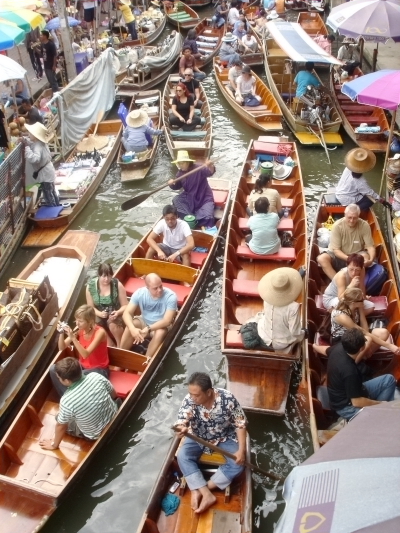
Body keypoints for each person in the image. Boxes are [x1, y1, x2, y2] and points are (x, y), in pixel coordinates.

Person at [175, 372, 247, 514]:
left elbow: (240, 424)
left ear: (209, 392)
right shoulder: (190, 400)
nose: (192, 398)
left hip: (223, 437)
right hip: (198, 436)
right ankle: (205, 493)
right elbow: (182, 419)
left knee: (238, 464)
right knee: (182, 455)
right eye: (191, 394)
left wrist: (241, 451)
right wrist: (181, 427)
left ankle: (201, 489)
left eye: (197, 395)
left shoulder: (227, 399)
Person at [39, 357, 119, 450]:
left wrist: (54, 445)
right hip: (114, 415)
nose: (59, 380)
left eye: (59, 378)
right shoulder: (96, 376)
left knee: (58, 418)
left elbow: (61, 426)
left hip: (95, 434)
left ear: (67, 381)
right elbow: (113, 395)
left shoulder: (66, 401)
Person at [326, 328, 397, 421]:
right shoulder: (350, 371)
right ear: (362, 348)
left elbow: (326, 351)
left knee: (389, 380)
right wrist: (380, 404)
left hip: (354, 390)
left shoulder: (338, 348)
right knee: (382, 409)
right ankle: (380, 413)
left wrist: (315, 346)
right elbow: (357, 402)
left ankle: (379, 410)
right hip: (346, 407)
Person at [314, 288, 399, 363]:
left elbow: (363, 327)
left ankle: (364, 355)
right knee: (368, 339)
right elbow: (364, 333)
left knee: (383, 332)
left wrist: (361, 308)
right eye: (362, 300)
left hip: (356, 333)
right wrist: (389, 346)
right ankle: (355, 362)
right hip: (343, 339)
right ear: (353, 303)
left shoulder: (357, 306)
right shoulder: (341, 316)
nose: (364, 300)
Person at [52, 304, 110, 396]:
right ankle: (67, 396)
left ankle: (73, 396)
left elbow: (85, 354)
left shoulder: (100, 332)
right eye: (76, 320)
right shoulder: (79, 329)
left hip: (99, 369)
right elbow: (61, 347)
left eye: (80, 321)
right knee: (53, 369)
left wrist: (73, 338)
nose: (77, 324)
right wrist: (61, 333)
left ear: (90, 321)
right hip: (82, 367)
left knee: (74, 377)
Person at [246, 268, 304, 353]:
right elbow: (295, 332)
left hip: (264, 336)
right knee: (301, 326)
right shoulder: (293, 308)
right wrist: (304, 333)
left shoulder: (267, 298)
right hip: (282, 344)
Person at [120, 273, 178, 359]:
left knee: (160, 332)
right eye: (155, 288)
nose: (159, 290)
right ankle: (120, 356)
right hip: (144, 321)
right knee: (131, 325)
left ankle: (145, 361)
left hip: (160, 326)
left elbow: (167, 321)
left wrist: (148, 329)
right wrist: (132, 329)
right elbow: (127, 313)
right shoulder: (140, 293)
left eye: (160, 286)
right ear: (147, 288)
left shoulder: (171, 296)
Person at [316, 204, 375, 280]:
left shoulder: (364, 225)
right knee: (322, 259)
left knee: (365, 257)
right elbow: (336, 251)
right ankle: (337, 282)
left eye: (355, 218)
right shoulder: (337, 226)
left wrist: (370, 260)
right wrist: (350, 259)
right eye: (349, 217)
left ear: (358, 216)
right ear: (345, 215)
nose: (352, 221)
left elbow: (370, 246)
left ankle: (356, 281)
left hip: (356, 254)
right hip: (339, 255)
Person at [86, 263, 128, 347]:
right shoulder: (90, 287)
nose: (106, 279)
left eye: (109, 276)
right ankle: (110, 344)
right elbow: (90, 308)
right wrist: (100, 314)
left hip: (116, 314)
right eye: (104, 276)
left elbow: (125, 306)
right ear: (98, 275)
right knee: (92, 322)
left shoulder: (117, 285)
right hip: (100, 313)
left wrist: (117, 312)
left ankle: (120, 345)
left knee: (113, 324)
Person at [169, 151, 215, 227]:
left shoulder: (199, 168)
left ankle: (194, 221)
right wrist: (172, 184)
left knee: (208, 217)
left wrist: (210, 166)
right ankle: (191, 218)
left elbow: (210, 172)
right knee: (176, 200)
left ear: (187, 162)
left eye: (182, 163)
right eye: (179, 163)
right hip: (190, 198)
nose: (180, 165)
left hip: (204, 198)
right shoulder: (180, 173)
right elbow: (177, 186)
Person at [22, 122, 59, 206]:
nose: (29, 134)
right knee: (52, 192)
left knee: (48, 194)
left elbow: (35, 159)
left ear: (35, 135)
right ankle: (56, 207)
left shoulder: (38, 146)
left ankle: (53, 211)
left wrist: (27, 148)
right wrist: (25, 141)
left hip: (45, 174)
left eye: (30, 133)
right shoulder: (39, 143)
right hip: (48, 171)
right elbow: (32, 143)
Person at [40, 30, 59, 95]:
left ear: (45, 36)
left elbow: (54, 55)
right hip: (46, 65)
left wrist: (54, 65)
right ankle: (54, 93)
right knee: (50, 81)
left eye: (41, 35)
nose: (40, 36)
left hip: (50, 65)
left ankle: (56, 93)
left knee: (53, 81)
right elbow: (41, 53)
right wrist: (34, 49)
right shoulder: (42, 44)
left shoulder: (51, 44)